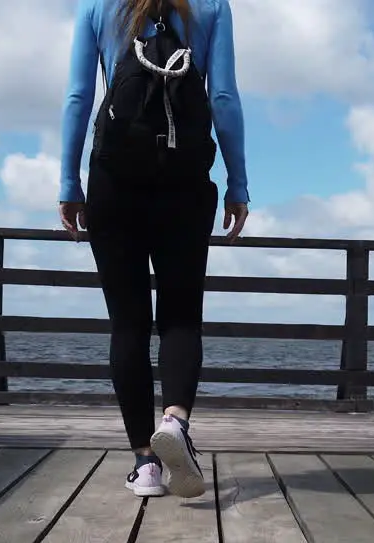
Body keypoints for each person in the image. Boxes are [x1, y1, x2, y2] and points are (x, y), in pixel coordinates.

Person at [58, 0, 249, 499]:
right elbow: (224, 97)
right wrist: (238, 184)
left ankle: (145, 465)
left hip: (113, 182)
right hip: (184, 183)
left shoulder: (98, 7)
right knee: (181, 317)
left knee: (128, 324)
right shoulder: (212, 7)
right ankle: (176, 422)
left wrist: (68, 183)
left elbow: (79, 96)